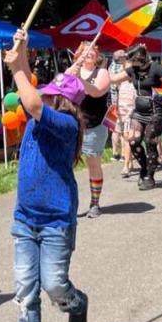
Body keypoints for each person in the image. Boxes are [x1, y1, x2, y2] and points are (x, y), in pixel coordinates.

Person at [4, 29, 88, 322]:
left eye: (51, 92)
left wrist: (15, 69)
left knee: (54, 286)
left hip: (56, 222)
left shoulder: (65, 124)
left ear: (62, 100)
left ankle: (76, 303)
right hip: (25, 219)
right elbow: (30, 89)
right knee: (25, 292)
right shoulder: (39, 112)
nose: (43, 94)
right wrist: (23, 50)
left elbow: (33, 100)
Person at [110, 44, 162, 190]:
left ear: (139, 58)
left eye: (131, 60)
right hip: (139, 110)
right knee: (133, 140)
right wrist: (100, 68)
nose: (129, 63)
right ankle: (145, 168)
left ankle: (150, 177)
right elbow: (113, 79)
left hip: (156, 110)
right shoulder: (132, 70)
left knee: (150, 140)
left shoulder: (155, 68)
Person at [66, 43, 111, 218]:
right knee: (66, 165)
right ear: (78, 55)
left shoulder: (102, 72)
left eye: (93, 51)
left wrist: (80, 80)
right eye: (85, 51)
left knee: (93, 164)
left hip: (94, 126)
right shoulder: (72, 70)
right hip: (72, 126)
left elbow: (96, 91)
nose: (89, 53)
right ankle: (68, 204)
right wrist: (71, 73)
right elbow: (60, 88)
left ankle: (95, 203)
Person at [108, 50, 127, 161]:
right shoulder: (123, 69)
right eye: (124, 55)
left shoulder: (110, 67)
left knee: (114, 130)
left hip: (112, 103)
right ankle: (124, 155)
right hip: (123, 103)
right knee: (124, 130)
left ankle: (115, 154)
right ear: (120, 58)